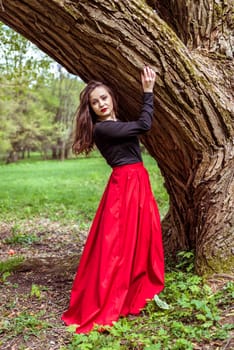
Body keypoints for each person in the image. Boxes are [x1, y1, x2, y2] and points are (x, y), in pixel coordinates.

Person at [62, 66, 164, 334]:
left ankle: (135, 289)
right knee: (117, 243)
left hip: (135, 181)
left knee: (141, 236)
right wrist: (148, 92)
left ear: (111, 98)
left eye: (104, 98)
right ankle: (113, 295)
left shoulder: (115, 123)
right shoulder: (103, 130)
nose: (101, 104)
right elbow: (145, 125)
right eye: (95, 102)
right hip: (125, 185)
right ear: (91, 109)